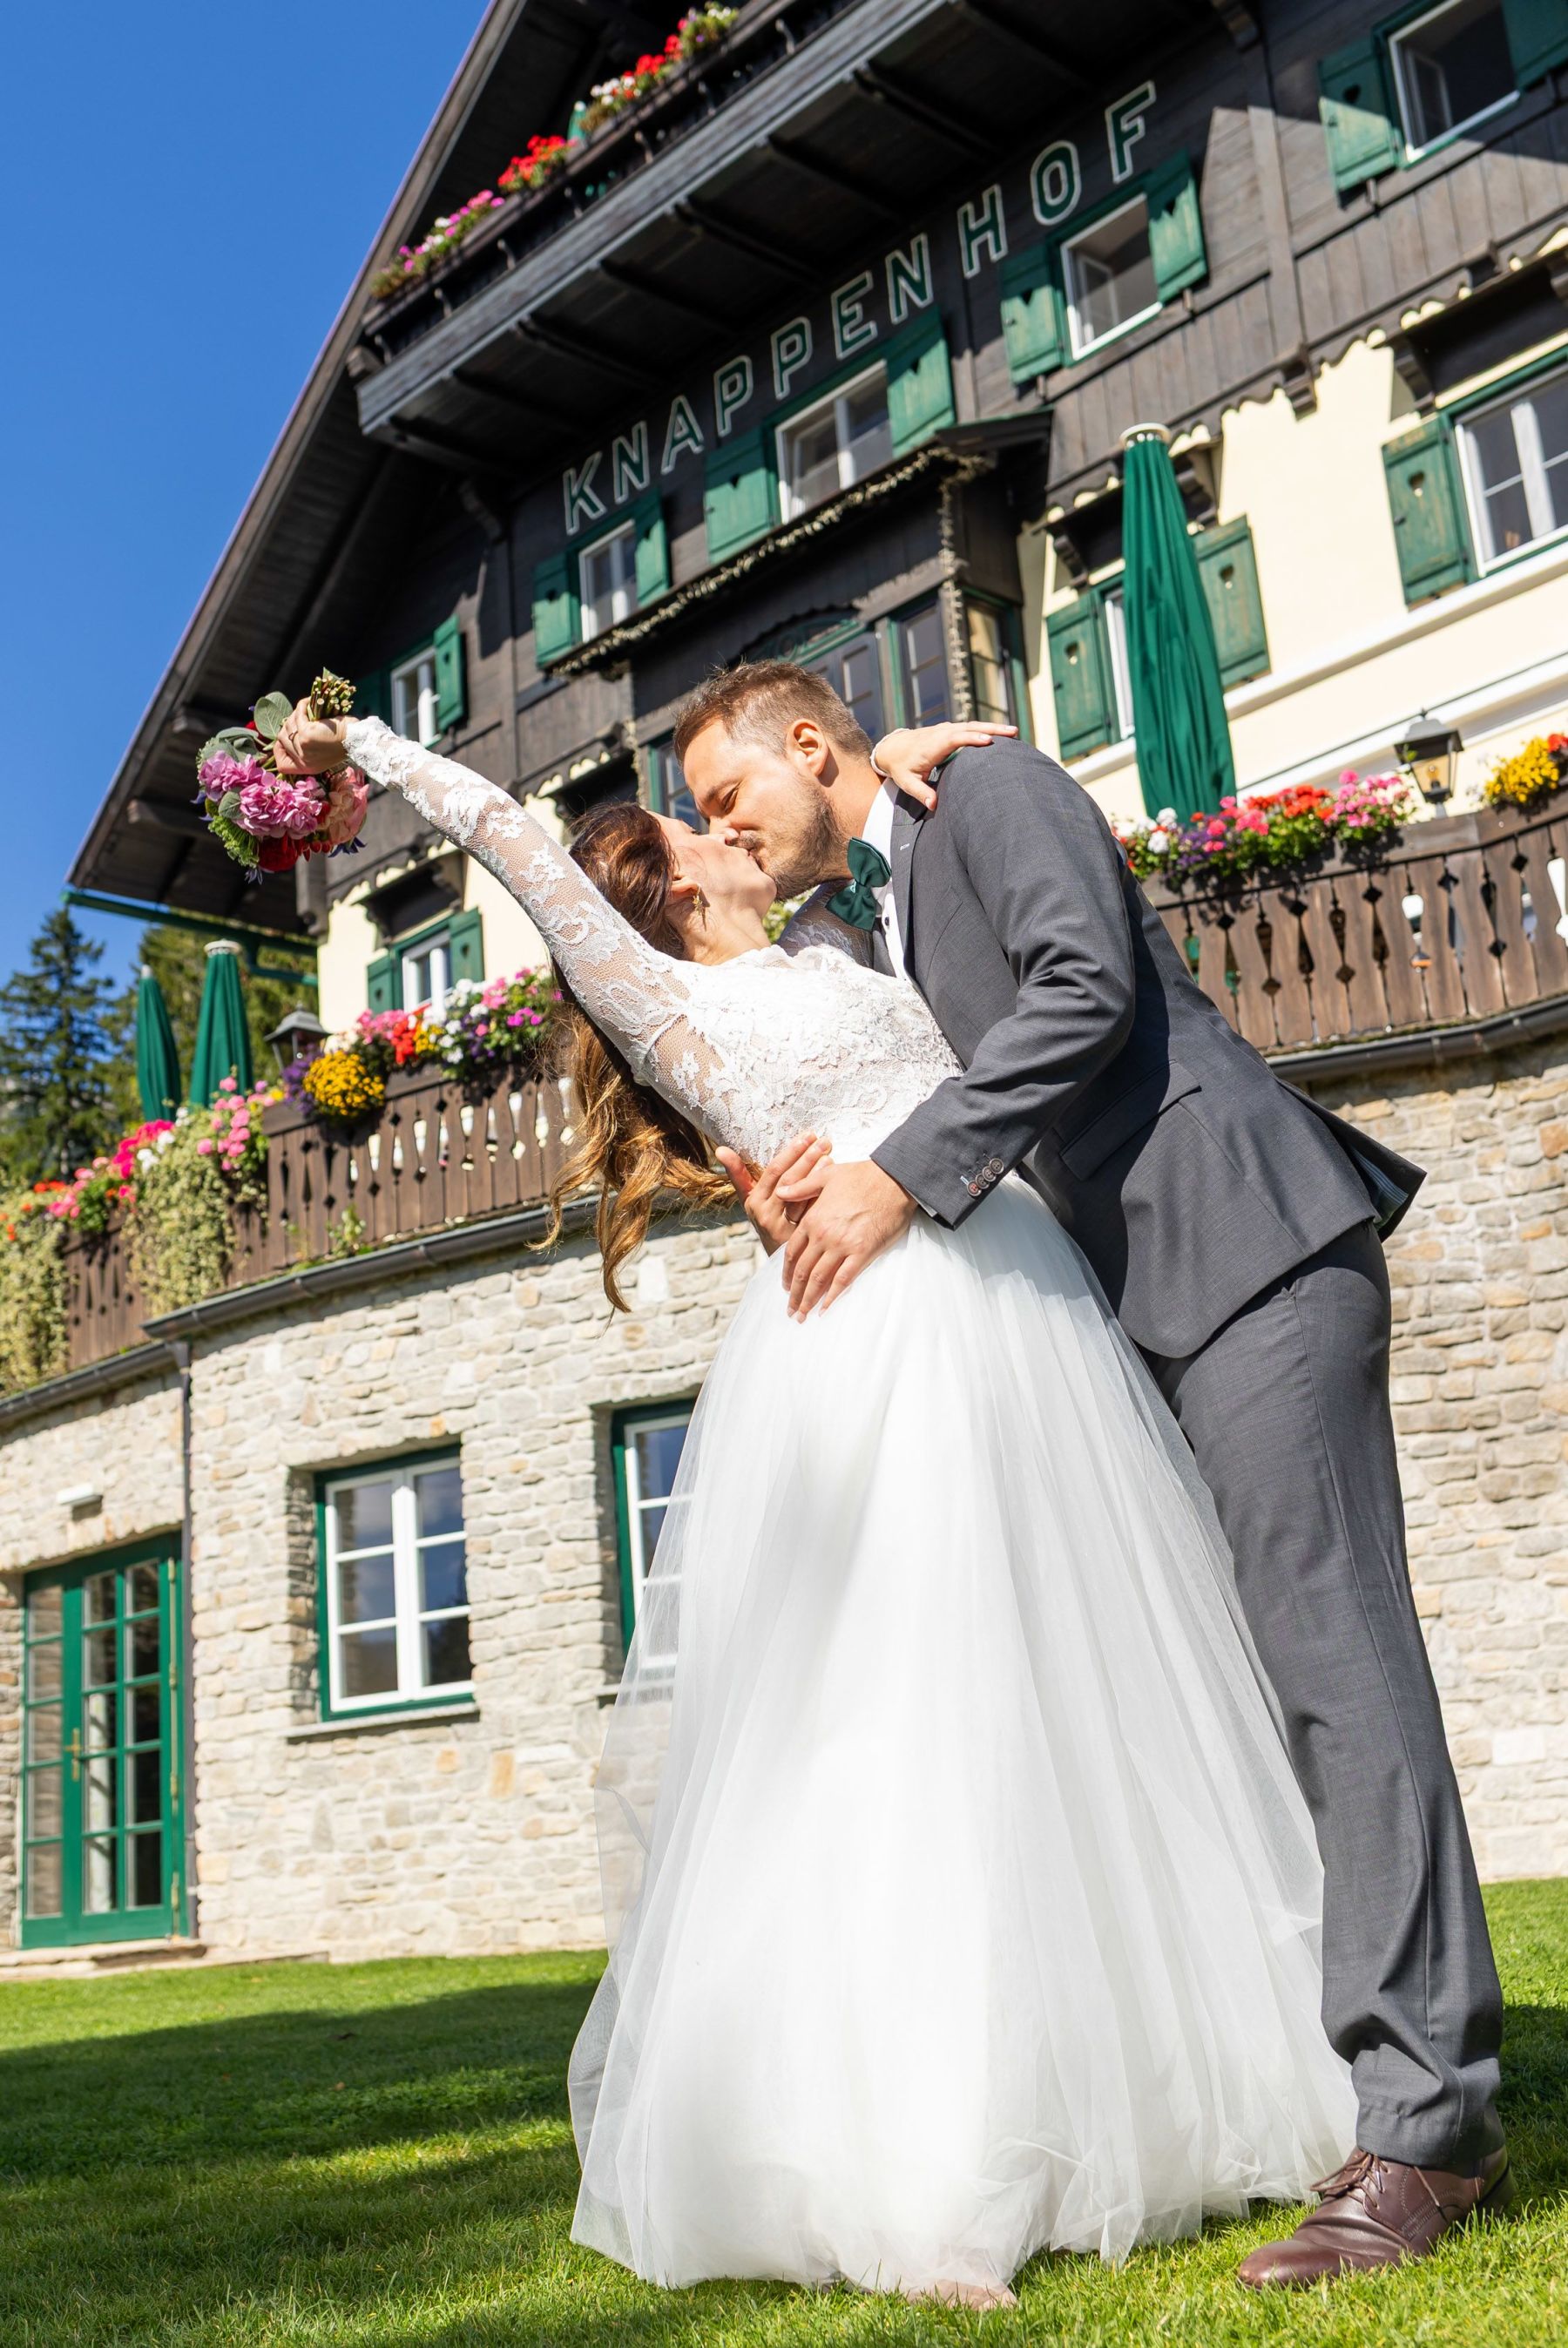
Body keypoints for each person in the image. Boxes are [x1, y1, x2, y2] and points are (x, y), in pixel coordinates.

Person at [275, 689, 1377, 2304]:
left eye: (731, 803)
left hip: (1025, 1311)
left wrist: (899, 761)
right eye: (692, 827)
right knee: (902, 1730)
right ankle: (936, 2183)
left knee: (1075, 1707)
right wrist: (356, 752)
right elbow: (507, 837)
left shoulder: (843, 947)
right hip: (884, 1345)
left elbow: (917, 926)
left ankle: (1160, 2094)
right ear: (655, 893)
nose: (725, 831)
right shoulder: (663, 996)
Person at [672, 661, 1511, 2289]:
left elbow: (1084, 993)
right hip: (1139, 1307)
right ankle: (1363, 2072)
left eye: (731, 799)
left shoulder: (990, 792)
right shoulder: (888, 894)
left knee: (1340, 1677)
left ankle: (1428, 2130)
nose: (731, 833)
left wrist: (901, 1183)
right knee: (1266, 1695)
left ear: (806, 740)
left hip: (1250, 1250)